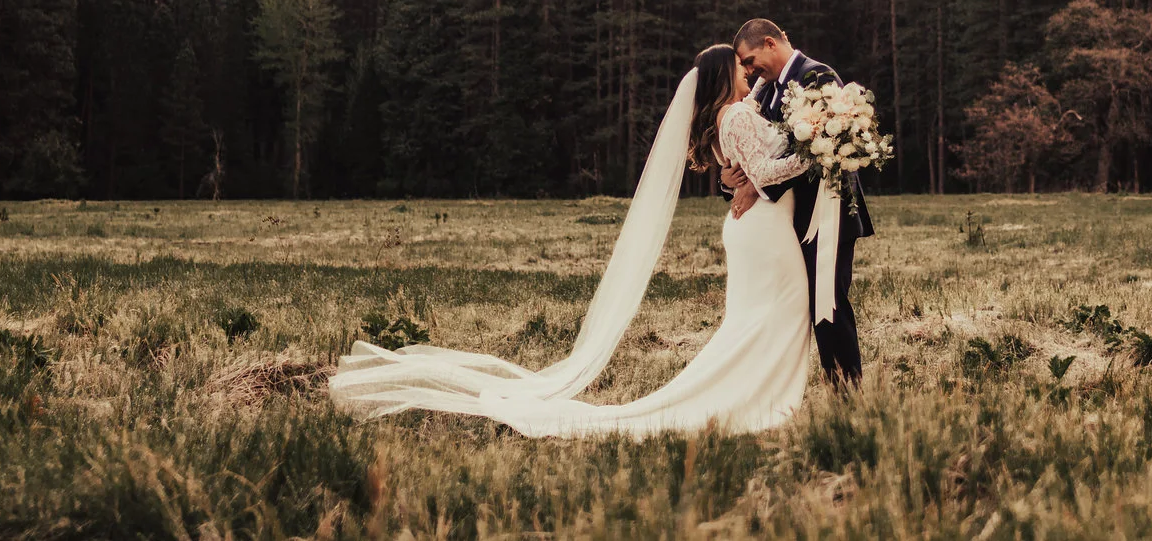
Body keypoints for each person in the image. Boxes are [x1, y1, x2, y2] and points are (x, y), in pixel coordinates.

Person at [327, 43, 814, 437]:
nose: (749, 74)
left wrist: (753, 172)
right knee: (779, 313)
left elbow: (746, 168)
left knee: (753, 321)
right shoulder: (736, 116)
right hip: (765, 232)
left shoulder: (726, 116)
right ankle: (761, 397)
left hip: (753, 230)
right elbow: (767, 172)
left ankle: (756, 391)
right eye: (740, 67)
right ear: (724, 76)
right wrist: (816, 153)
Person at [726, 18, 873, 387]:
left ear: (771, 43)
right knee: (807, 305)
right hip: (791, 220)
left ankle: (847, 397)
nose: (746, 69)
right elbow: (756, 151)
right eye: (742, 65)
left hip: (827, 210)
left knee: (829, 306)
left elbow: (823, 149)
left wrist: (758, 186)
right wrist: (732, 181)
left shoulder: (817, 77)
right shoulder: (763, 92)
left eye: (749, 58)